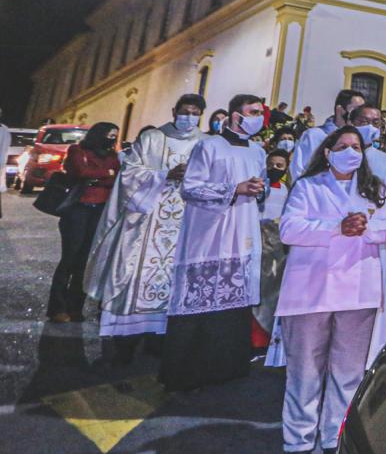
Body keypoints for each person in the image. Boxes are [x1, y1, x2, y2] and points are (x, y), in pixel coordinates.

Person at [277, 125, 386, 453]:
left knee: (348, 375)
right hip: (309, 293)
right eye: (343, 146)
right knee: (305, 375)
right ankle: (298, 442)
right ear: (328, 153)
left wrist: (367, 227)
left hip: (357, 293)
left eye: (356, 147)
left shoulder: (375, 189)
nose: (351, 153)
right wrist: (336, 228)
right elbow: (289, 229)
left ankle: (333, 440)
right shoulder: (307, 186)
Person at [84, 94, 206, 362]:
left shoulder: (205, 144)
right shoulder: (152, 138)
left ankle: (159, 339)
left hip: (187, 226)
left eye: (195, 113)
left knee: (175, 282)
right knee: (137, 278)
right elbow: (129, 174)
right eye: (184, 111)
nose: (189, 117)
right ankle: (125, 343)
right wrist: (164, 175)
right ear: (174, 111)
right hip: (147, 222)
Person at [160, 95, 267, 391]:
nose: (259, 117)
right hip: (209, 234)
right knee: (201, 297)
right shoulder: (209, 146)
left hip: (243, 228)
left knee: (236, 300)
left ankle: (228, 366)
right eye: (253, 112)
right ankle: (188, 371)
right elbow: (190, 188)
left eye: (260, 112)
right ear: (235, 116)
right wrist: (235, 189)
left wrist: (258, 189)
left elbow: (260, 185)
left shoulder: (258, 151)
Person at [48, 122, 120, 323]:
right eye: (109, 135)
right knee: (69, 258)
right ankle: (57, 308)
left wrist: (101, 177)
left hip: (100, 211)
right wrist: (107, 175)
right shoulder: (77, 150)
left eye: (115, 136)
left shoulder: (113, 156)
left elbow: (117, 178)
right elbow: (80, 172)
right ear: (99, 134)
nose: (112, 139)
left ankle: (75, 307)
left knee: (85, 261)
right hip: (78, 209)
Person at [253, 147, 292, 354]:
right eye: (271, 165)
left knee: (271, 291)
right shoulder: (259, 187)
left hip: (276, 245)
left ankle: (266, 339)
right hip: (257, 238)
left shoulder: (287, 189)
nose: (274, 168)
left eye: (279, 166)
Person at [290, 89, 365, 180]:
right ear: (340, 110)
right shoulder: (314, 136)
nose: (360, 116)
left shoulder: (361, 139)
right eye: (355, 111)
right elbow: (298, 171)